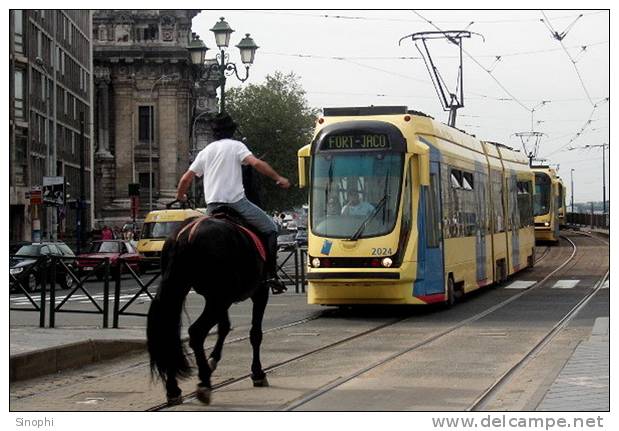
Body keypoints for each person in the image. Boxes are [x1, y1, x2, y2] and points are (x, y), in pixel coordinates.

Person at [175, 113, 290, 294]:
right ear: (232, 131)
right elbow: (256, 164)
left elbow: (186, 179)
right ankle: (270, 274)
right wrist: (278, 178)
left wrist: (180, 196)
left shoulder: (206, 151)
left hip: (212, 207)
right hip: (237, 203)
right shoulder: (237, 146)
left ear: (214, 133)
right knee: (271, 228)